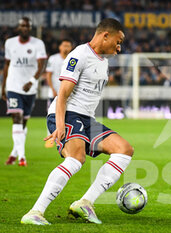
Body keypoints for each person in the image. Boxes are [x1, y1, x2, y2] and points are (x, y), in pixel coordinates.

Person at [21, 18, 132, 225]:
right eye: (118, 41)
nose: (119, 47)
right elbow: (63, 95)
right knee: (76, 158)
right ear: (105, 35)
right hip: (67, 114)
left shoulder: (103, 61)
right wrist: (60, 124)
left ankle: (86, 202)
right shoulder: (79, 55)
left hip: (86, 118)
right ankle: (35, 212)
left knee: (124, 149)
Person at [2, 17, 47, 166]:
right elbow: (7, 65)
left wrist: (32, 81)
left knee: (23, 124)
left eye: (27, 26)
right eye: (22, 26)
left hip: (30, 89)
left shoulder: (37, 44)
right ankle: (22, 157)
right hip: (14, 87)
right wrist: (3, 87)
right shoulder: (10, 43)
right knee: (17, 118)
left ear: (30, 28)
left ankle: (14, 154)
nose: (25, 28)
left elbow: (41, 65)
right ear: (19, 27)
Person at [44, 39, 73, 148]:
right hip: (54, 92)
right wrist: (52, 89)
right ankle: (50, 137)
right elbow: (48, 75)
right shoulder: (53, 58)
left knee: (67, 114)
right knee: (51, 114)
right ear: (60, 47)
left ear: (71, 48)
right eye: (64, 45)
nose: (66, 47)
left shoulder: (73, 59)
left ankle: (65, 135)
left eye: (68, 45)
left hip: (67, 93)